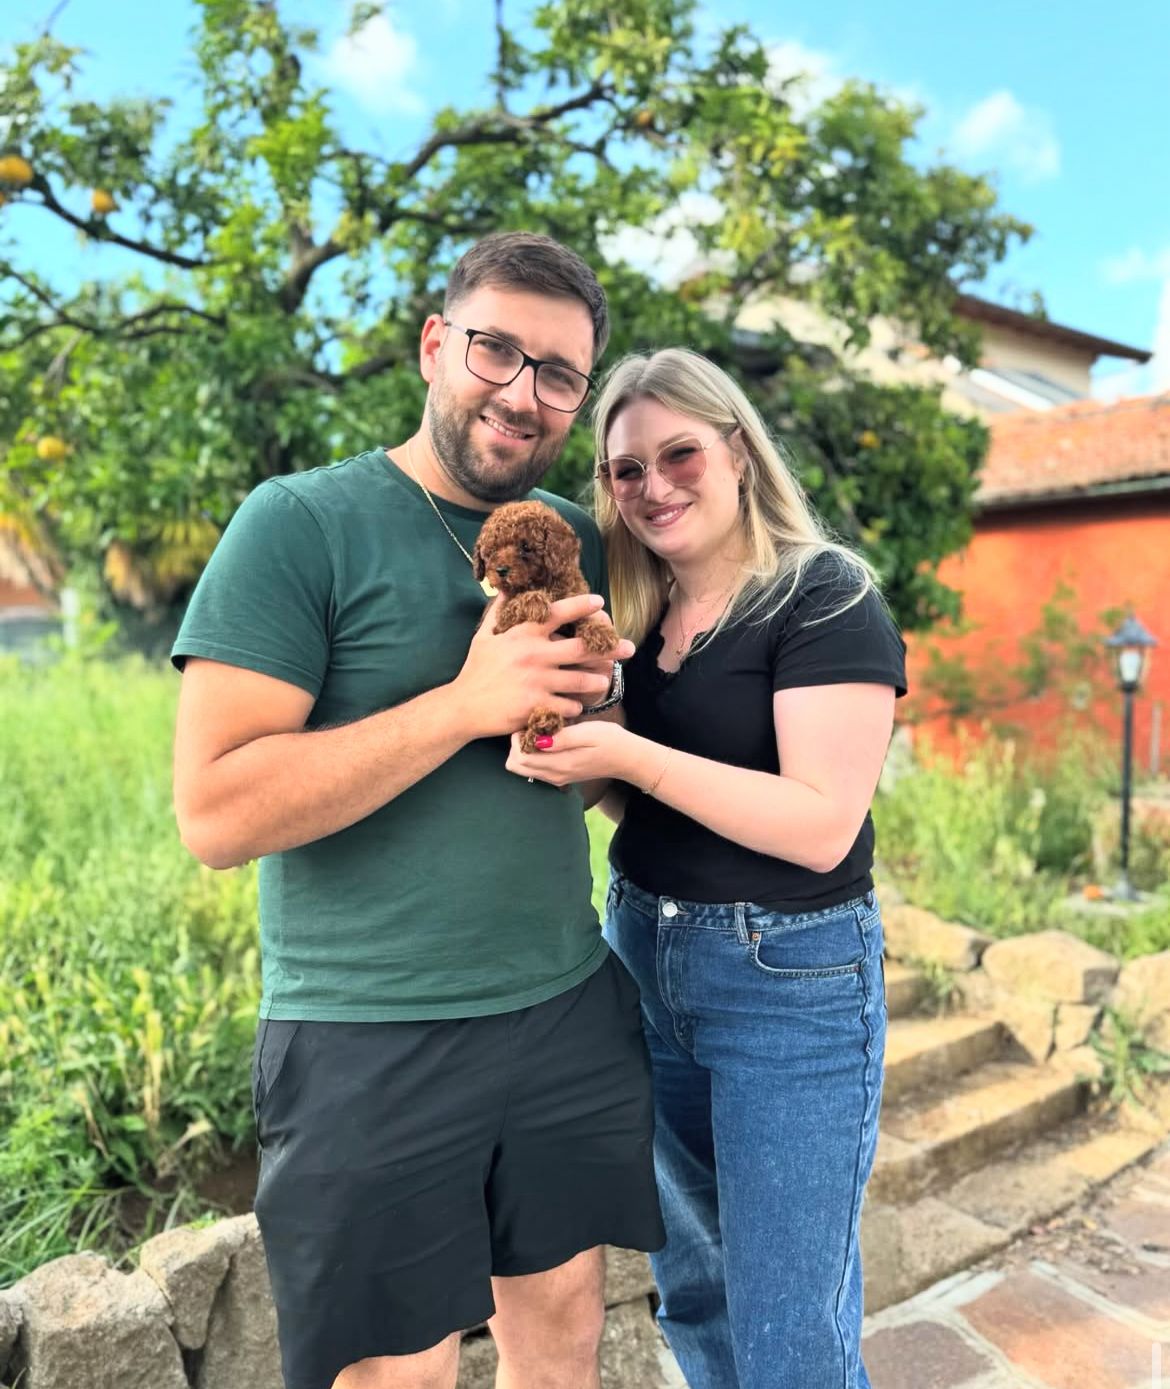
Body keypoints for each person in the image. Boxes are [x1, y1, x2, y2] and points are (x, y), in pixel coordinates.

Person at [171, 232, 665, 1389]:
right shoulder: (300, 523)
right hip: (367, 1033)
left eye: (558, 374)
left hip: (563, 1002)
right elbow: (214, 815)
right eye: (497, 350)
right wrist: (460, 707)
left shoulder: (579, 542)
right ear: (438, 345)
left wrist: (598, 728)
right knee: (398, 1373)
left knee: (566, 1332)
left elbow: (585, 785)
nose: (522, 392)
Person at [507, 348, 907, 1388]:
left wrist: (628, 752)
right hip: (645, 951)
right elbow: (640, 796)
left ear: (736, 449)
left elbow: (822, 823)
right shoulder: (642, 615)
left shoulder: (823, 596)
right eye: (624, 470)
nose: (651, 486)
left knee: (788, 1327)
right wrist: (568, 758)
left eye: (676, 453)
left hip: (790, 981)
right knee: (693, 1288)